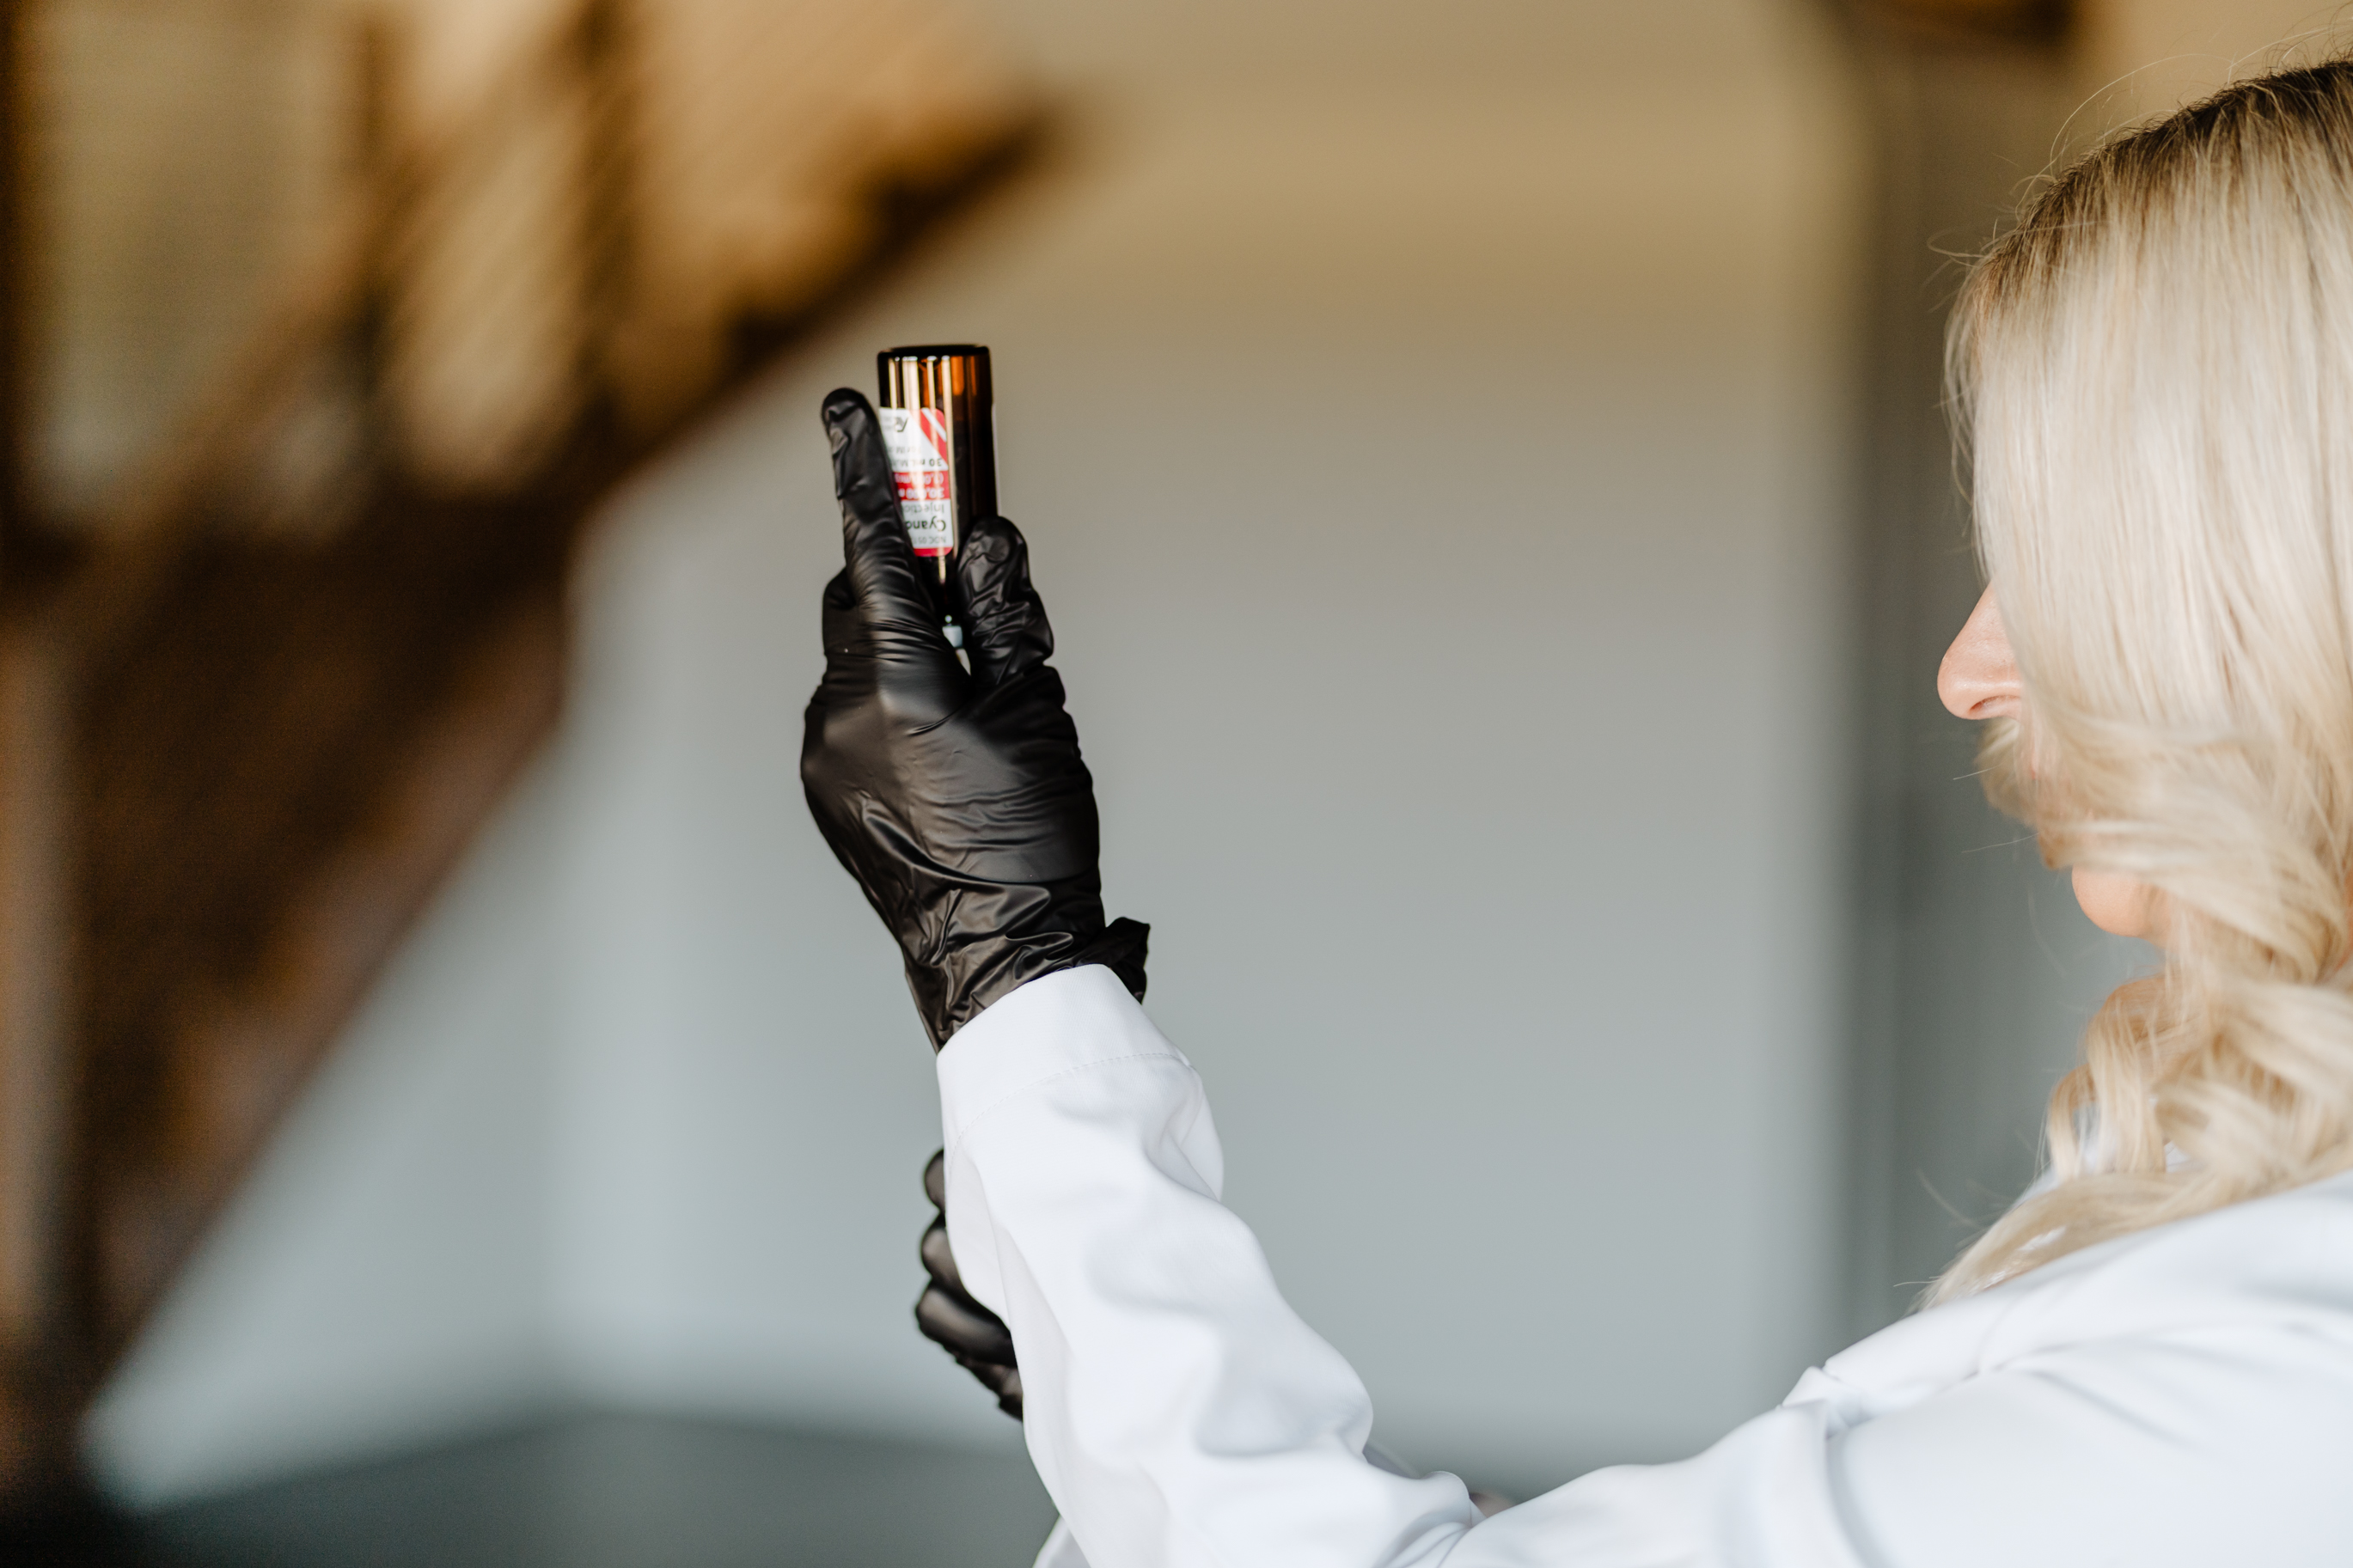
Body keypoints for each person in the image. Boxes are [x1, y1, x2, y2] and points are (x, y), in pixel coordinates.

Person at [798, 61, 2353, 1568]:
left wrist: (1003, 954)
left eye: (2068, 560)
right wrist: (1106, 1374)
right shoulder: (2272, 1219)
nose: (1966, 667)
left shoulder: (2294, 1382)